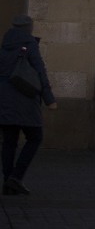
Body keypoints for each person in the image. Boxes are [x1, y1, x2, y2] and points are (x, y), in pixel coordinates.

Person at [0, 14, 57, 196]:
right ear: (28, 28)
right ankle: (16, 177)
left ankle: (8, 182)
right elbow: (40, 72)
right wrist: (49, 99)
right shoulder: (31, 45)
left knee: (9, 142)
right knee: (35, 137)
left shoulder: (5, 45)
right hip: (25, 101)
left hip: (5, 101)